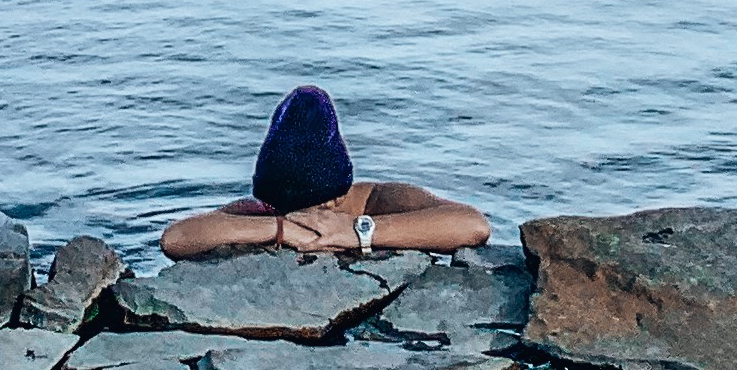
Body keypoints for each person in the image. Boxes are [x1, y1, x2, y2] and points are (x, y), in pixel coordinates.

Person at [160, 88, 491, 261]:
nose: (302, 217)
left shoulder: (378, 200)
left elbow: (473, 225)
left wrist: (359, 232)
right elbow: (175, 239)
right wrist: (279, 228)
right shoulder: (266, 211)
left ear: (338, 196)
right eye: (281, 207)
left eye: (313, 208)